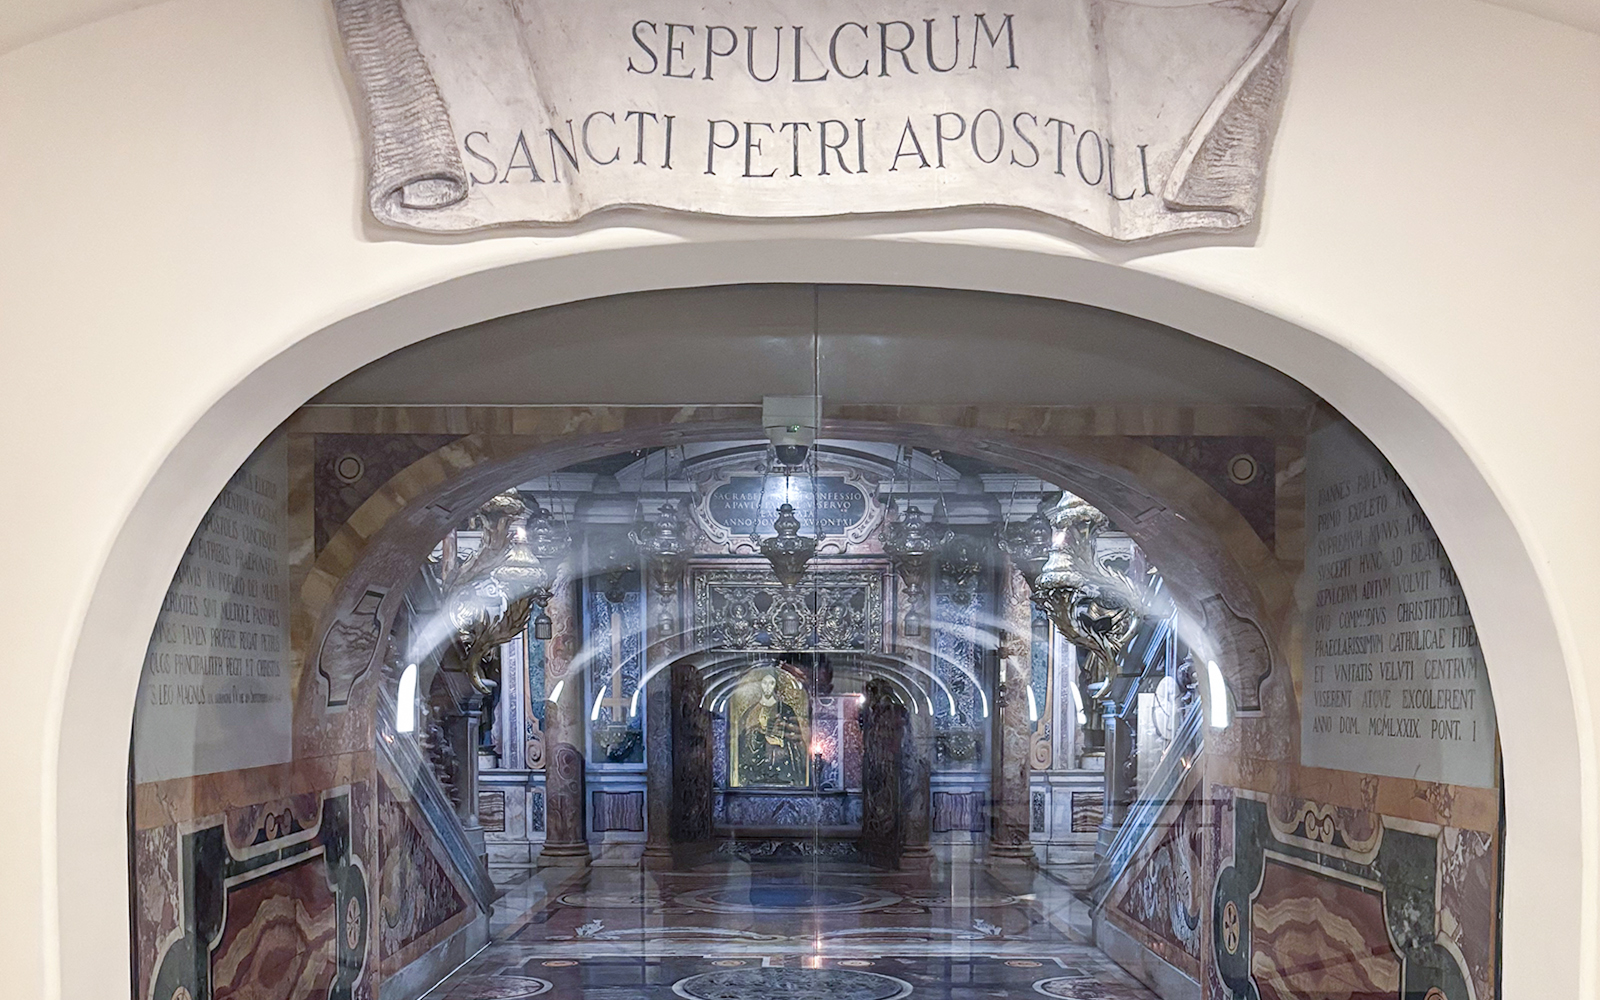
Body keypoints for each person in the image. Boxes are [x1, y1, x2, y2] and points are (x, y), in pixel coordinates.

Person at [738, 671, 805, 786]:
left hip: (782, 769)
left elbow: (796, 743)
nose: (768, 687)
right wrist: (758, 735)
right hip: (757, 772)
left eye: (771, 683)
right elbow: (743, 742)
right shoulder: (750, 712)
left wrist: (781, 742)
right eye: (765, 683)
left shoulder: (786, 710)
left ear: (776, 686)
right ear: (760, 685)